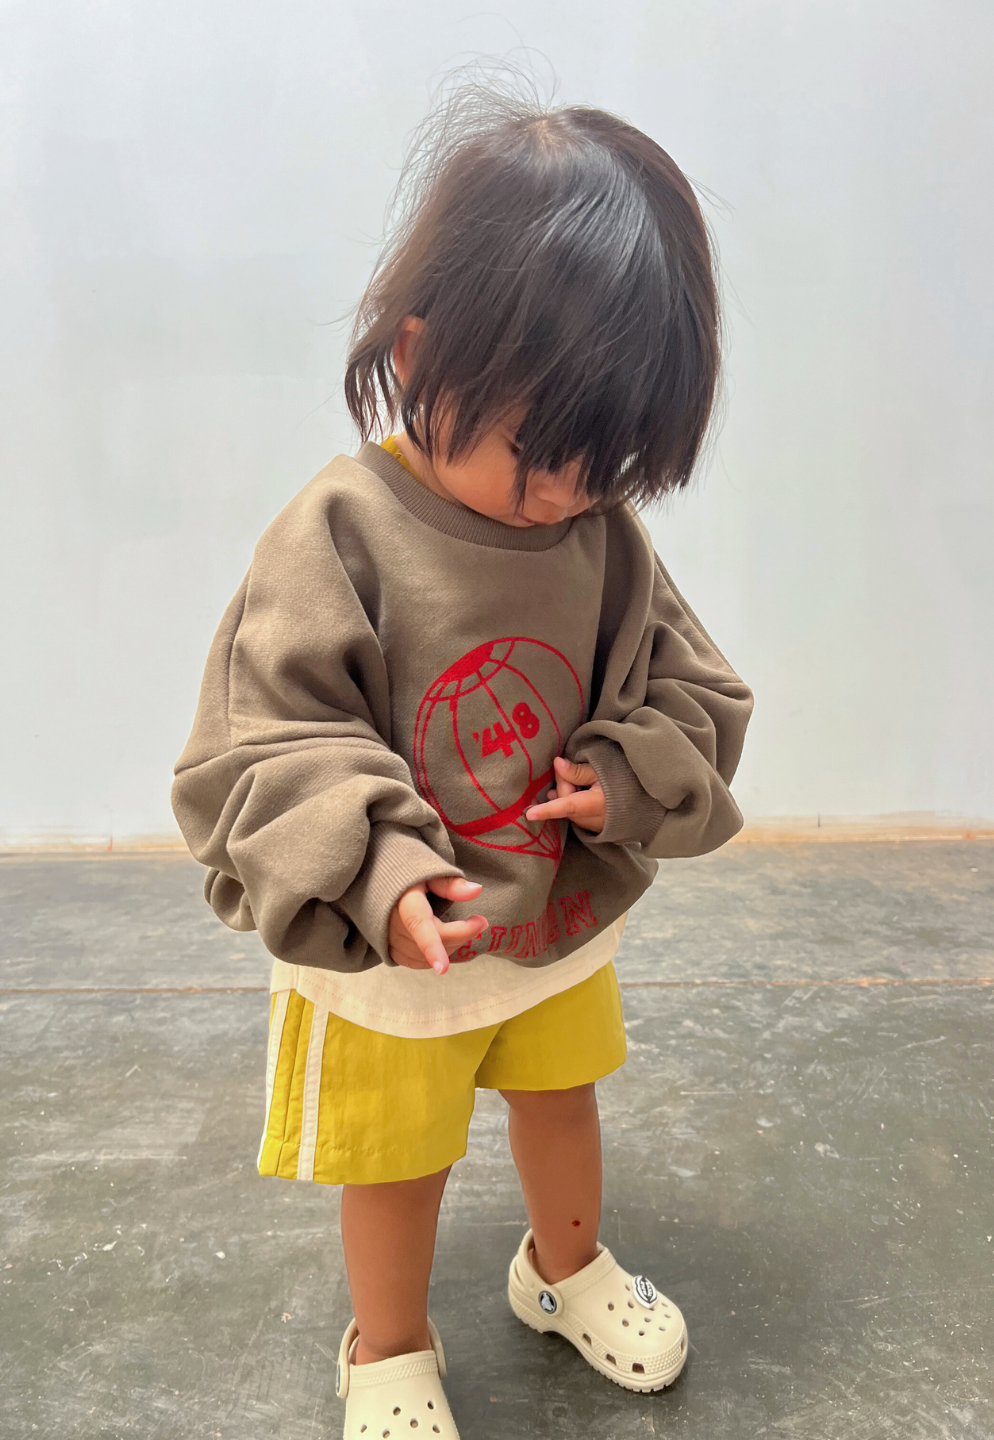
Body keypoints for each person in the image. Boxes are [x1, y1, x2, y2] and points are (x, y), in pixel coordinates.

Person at [172, 80, 753, 1440]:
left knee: (563, 1099)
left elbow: (691, 682)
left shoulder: (598, 533)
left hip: (550, 921)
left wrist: (627, 772)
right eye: (537, 456)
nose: (565, 497)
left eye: (606, 466)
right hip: (400, 951)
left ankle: (563, 1269)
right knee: (398, 1160)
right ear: (423, 358)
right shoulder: (339, 531)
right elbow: (267, 738)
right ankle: (388, 1345)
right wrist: (376, 871)